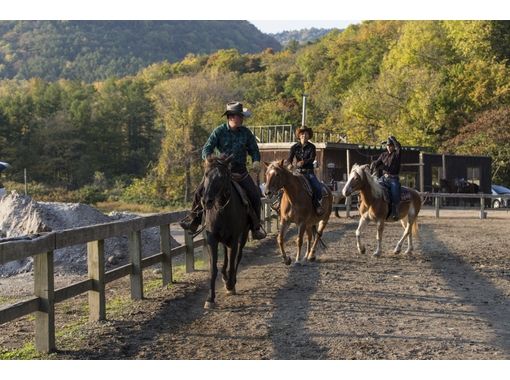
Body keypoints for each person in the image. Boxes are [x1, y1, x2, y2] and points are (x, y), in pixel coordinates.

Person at [179, 101, 266, 240]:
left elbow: (254, 149)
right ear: (231, 117)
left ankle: (255, 228)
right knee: (199, 191)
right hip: (220, 170)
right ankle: (194, 220)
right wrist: (209, 159)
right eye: (240, 116)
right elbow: (207, 148)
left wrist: (256, 160)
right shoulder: (219, 131)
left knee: (255, 195)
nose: (242, 119)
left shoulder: (246, 132)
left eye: (242, 116)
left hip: (240, 171)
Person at [286, 126, 323, 214]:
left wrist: (303, 162)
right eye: (302, 134)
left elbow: (312, 158)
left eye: (306, 134)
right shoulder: (294, 147)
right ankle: (279, 204)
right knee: (285, 184)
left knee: (317, 187)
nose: (304, 135)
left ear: (309, 135)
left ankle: (317, 205)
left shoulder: (312, 147)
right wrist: (289, 165)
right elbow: (289, 159)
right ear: (299, 135)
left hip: (309, 172)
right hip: (297, 173)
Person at [371, 135, 402, 221]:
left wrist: (393, 139)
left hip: (393, 179)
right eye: (388, 146)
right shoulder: (383, 155)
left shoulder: (397, 154)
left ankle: (395, 210)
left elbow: (399, 147)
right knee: (375, 187)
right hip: (384, 178)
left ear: (393, 146)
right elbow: (377, 162)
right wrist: (373, 164)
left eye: (391, 145)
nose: (389, 147)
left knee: (395, 192)